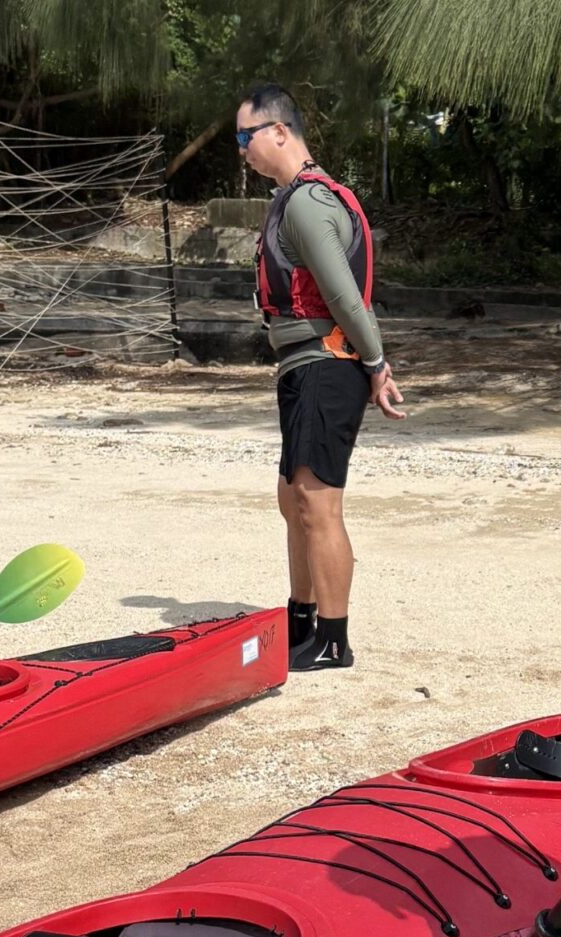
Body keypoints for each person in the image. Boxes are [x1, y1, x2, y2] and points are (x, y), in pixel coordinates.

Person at [236, 83, 404, 671]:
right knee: (293, 499)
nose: (242, 149)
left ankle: (334, 639)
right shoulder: (293, 198)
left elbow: (342, 294)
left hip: (326, 363)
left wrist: (377, 364)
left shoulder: (308, 202)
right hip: (305, 364)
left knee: (317, 502)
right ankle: (300, 620)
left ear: (279, 131)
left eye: (245, 136)